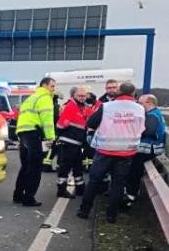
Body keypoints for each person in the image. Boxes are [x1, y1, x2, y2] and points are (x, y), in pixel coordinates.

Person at [77, 82, 145, 223]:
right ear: (133, 94)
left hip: (105, 150)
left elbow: (91, 123)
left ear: (119, 92)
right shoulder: (140, 109)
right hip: (126, 152)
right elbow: (143, 128)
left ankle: (84, 211)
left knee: (94, 181)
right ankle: (111, 216)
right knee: (118, 184)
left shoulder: (107, 106)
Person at [13, 77, 57, 207]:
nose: (54, 89)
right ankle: (29, 198)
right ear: (44, 86)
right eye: (52, 86)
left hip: (23, 132)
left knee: (25, 166)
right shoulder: (45, 98)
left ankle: (18, 195)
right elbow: (47, 119)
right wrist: (51, 137)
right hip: (34, 133)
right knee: (35, 167)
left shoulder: (31, 98)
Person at [124, 94, 166, 207]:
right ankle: (130, 193)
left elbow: (149, 131)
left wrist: (133, 131)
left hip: (147, 151)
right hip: (147, 151)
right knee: (132, 171)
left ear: (149, 103)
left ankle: (130, 196)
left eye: (141, 103)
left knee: (134, 172)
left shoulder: (152, 116)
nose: (139, 105)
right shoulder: (154, 114)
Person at [55, 87, 92, 198]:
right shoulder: (70, 107)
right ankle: (61, 190)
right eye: (80, 96)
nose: (82, 98)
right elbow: (60, 125)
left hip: (76, 142)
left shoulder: (81, 107)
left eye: (84, 96)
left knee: (77, 166)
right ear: (73, 96)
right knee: (65, 167)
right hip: (68, 142)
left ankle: (80, 188)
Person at [42, 92, 62, 173]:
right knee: (52, 149)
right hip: (53, 131)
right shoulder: (56, 107)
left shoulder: (46, 106)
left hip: (45, 131)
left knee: (47, 149)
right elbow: (58, 119)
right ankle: (46, 166)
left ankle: (46, 166)